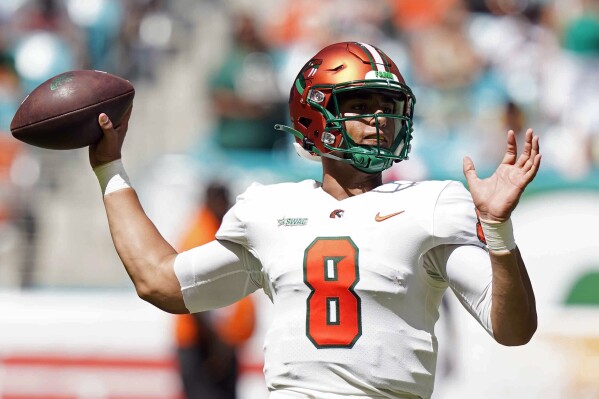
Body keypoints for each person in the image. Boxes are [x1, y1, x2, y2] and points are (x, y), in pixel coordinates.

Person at [89, 41, 540, 399]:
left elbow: (513, 329)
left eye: (388, 105)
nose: (380, 120)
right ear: (313, 115)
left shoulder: (431, 203)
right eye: (361, 106)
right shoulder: (268, 209)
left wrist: (498, 229)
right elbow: (160, 282)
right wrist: (110, 168)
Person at [174, 181, 255, 399]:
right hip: (203, 344)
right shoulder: (199, 235)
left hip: (218, 342)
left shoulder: (212, 230)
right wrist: (216, 346)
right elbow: (193, 296)